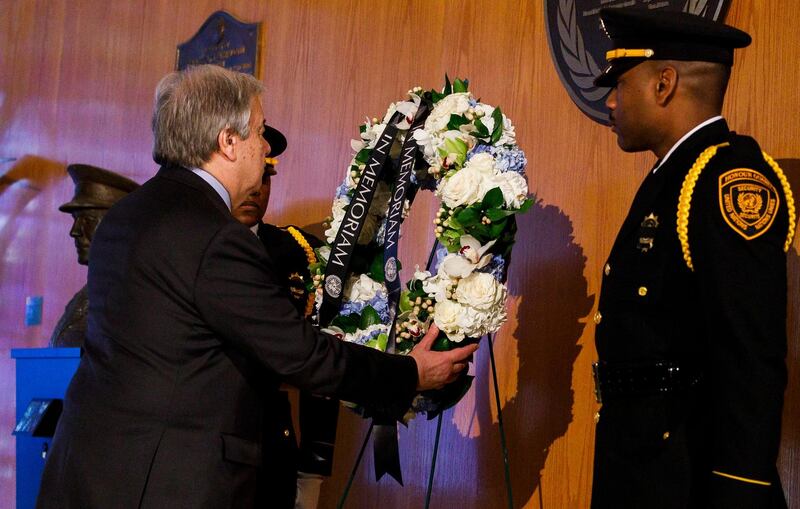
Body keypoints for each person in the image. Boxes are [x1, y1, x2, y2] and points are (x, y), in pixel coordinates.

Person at [36, 64, 477, 508]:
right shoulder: (215, 235)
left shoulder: (127, 216)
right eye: (260, 132)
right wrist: (411, 373)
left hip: (87, 470)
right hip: (166, 481)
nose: (267, 148)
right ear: (228, 142)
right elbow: (301, 355)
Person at [590, 8, 796, 509]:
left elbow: (751, 352)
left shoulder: (727, 178)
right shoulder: (674, 175)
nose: (612, 102)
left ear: (664, 84)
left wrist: (739, 488)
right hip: (647, 466)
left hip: (691, 478)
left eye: (620, 84)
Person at [231, 140, 338, 509]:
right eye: (250, 177)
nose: (256, 189)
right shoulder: (190, 244)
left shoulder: (299, 251)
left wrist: (315, 466)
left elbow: (324, 354)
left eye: (266, 177)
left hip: (273, 437)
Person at [49, 164, 139, 347]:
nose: (74, 231)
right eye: (75, 220)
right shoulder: (89, 293)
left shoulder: (133, 296)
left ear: (118, 226)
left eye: (86, 221)